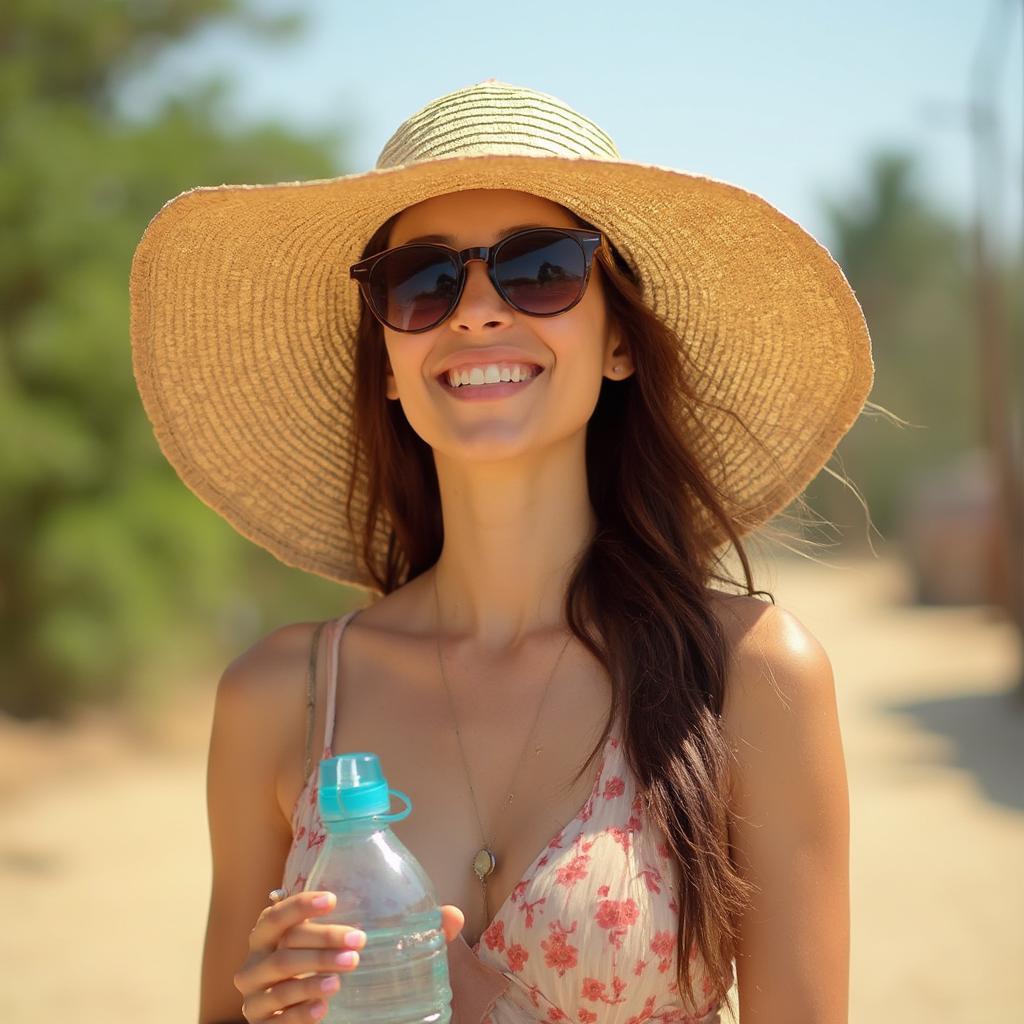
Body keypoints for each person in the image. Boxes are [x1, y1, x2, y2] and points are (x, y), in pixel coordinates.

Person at [129, 80, 871, 1024]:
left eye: (542, 269)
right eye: (423, 281)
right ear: (390, 363)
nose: (476, 312)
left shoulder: (749, 675)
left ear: (618, 344)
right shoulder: (281, 698)